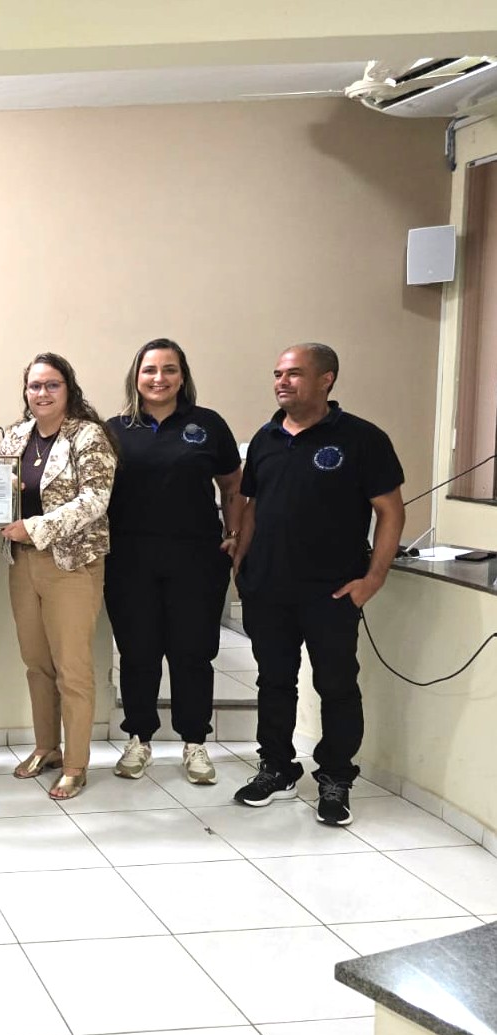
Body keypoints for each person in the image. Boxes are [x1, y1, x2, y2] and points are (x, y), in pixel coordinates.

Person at [232, 343, 404, 826]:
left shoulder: (362, 438)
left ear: (327, 379)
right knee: (274, 682)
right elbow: (250, 506)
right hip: (268, 588)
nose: (282, 382)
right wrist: (241, 565)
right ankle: (277, 768)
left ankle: (335, 777)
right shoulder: (265, 438)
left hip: (331, 590)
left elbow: (391, 511)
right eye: (278, 374)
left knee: (336, 684)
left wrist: (374, 578)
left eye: (294, 374)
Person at [105, 339, 243, 787]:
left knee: (193, 653)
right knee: (138, 652)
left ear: (183, 376)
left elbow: (233, 483)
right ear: (136, 376)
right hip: (130, 559)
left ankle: (195, 742)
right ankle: (139, 737)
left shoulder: (207, 425)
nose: (158, 379)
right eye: (149, 370)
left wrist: (234, 534)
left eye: (169, 370)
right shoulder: (114, 429)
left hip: (196, 558)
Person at [1, 353, 118, 800]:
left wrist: (34, 527)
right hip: (21, 563)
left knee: (73, 669)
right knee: (37, 664)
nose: (42, 394)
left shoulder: (88, 436)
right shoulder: (15, 435)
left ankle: (75, 763)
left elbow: (95, 500)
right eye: (34, 386)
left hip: (72, 566)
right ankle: (47, 747)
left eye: (52, 385)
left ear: (68, 388)